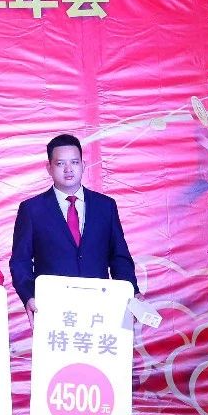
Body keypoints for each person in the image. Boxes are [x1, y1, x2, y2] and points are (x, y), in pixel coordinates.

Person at [9, 134, 139, 324]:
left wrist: (132, 292)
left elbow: (119, 256)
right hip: (53, 307)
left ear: (83, 165)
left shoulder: (105, 206)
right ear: (49, 168)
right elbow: (20, 261)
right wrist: (29, 295)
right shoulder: (32, 209)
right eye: (60, 163)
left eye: (74, 162)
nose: (68, 169)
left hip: (100, 306)